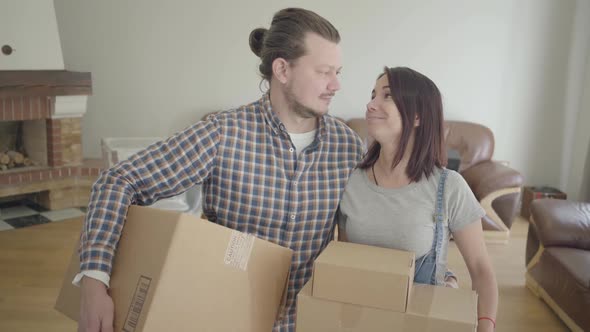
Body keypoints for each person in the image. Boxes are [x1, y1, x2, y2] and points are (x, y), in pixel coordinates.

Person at [76, 8, 364, 332]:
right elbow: (117, 180)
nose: (336, 84)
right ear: (282, 69)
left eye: (338, 71)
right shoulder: (223, 134)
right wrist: (93, 280)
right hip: (223, 318)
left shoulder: (349, 148)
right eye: (324, 72)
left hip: (309, 322)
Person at [337, 67, 498, 332]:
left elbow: (481, 270)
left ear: (417, 116)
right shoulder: (350, 182)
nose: (370, 104)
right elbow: (343, 264)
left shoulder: (449, 187)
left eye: (386, 96)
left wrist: (485, 326)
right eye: (373, 94)